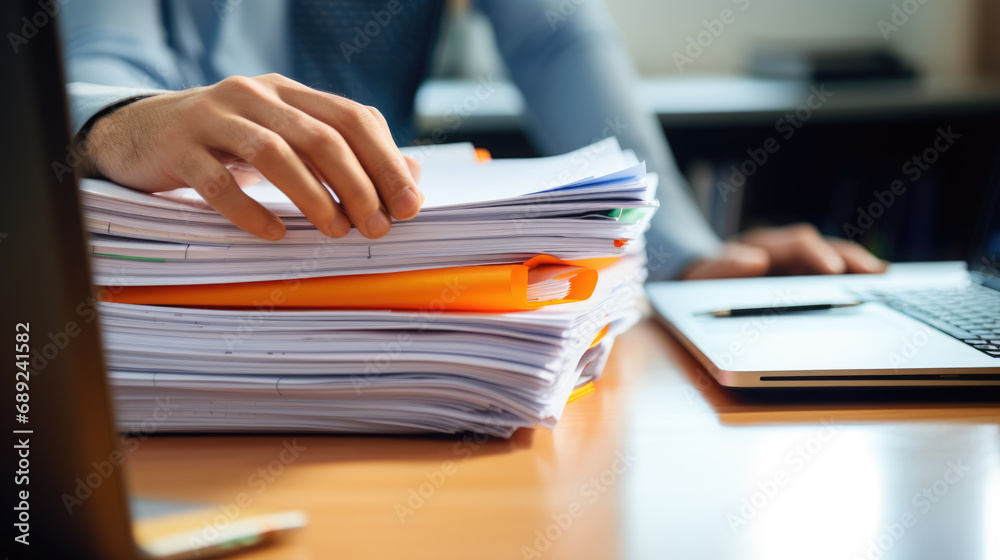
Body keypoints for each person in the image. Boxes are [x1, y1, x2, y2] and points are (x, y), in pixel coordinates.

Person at [59, 0, 887, 280]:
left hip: (370, 258)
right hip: (167, 276)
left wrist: (680, 255)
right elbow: (104, 56)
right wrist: (126, 119)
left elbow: (557, 35)